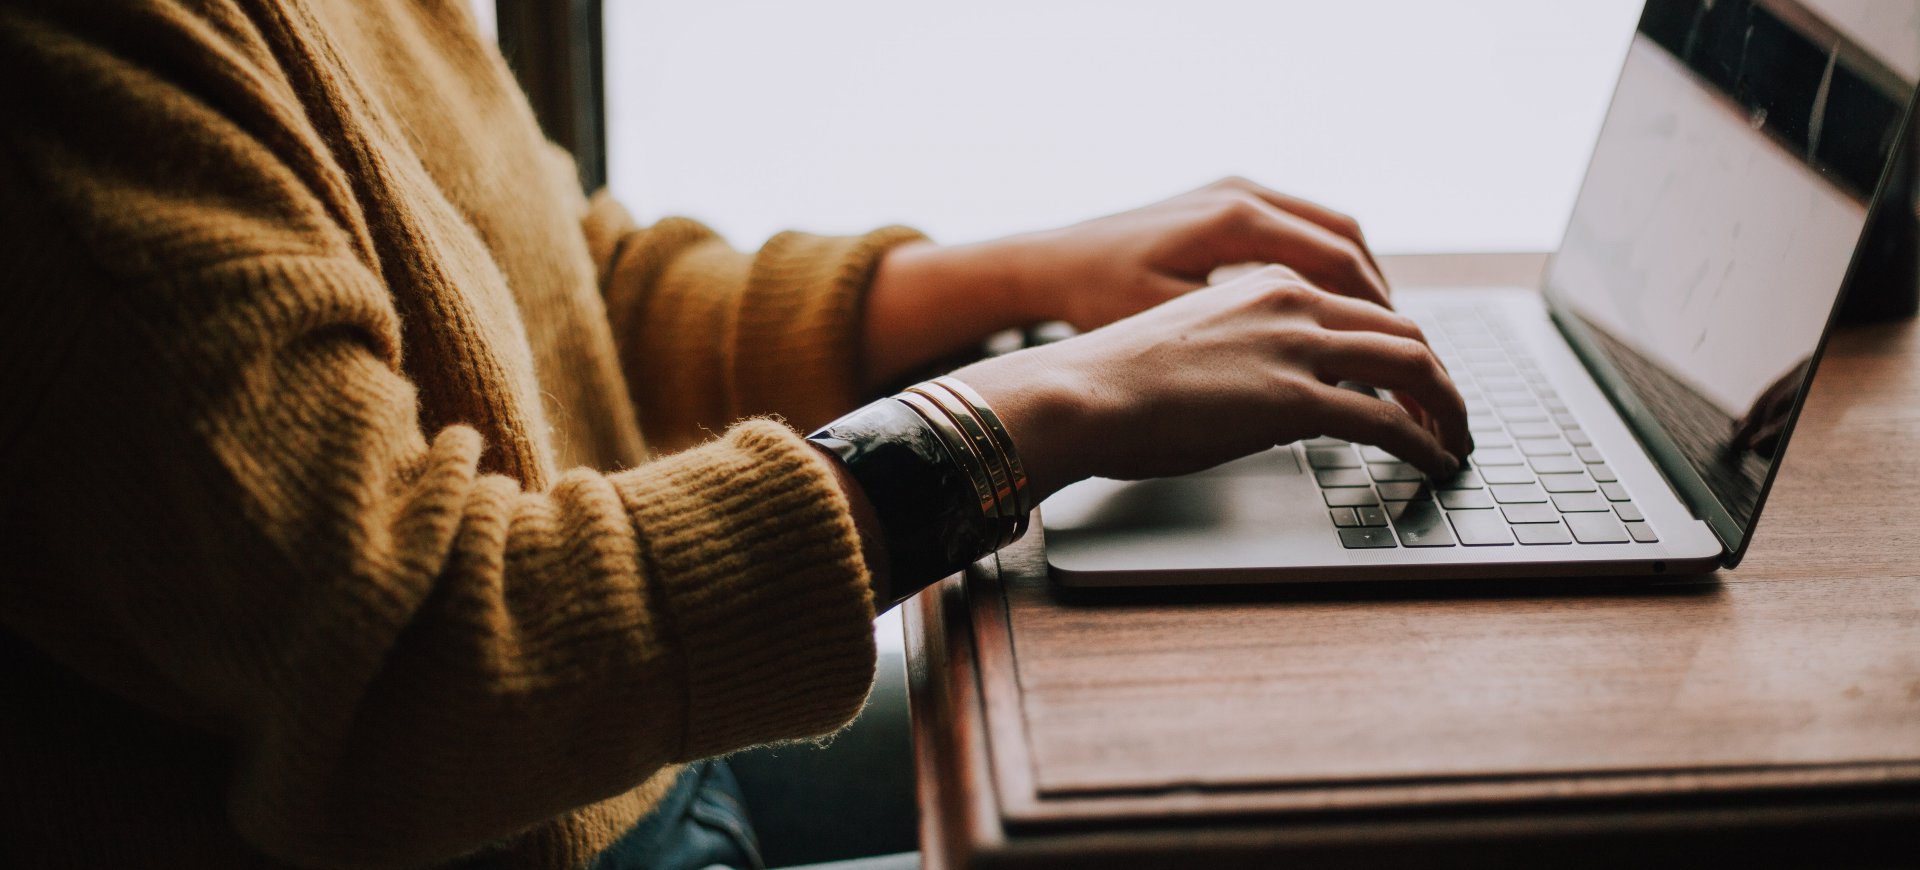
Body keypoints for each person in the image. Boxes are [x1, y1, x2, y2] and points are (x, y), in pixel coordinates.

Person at [0, 0, 1469, 867]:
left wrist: (1025, 280)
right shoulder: (74, 75)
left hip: (614, 767)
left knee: (1278, 739)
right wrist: (1032, 411)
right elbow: (416, 661)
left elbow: (561, 290)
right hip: (538, 820)